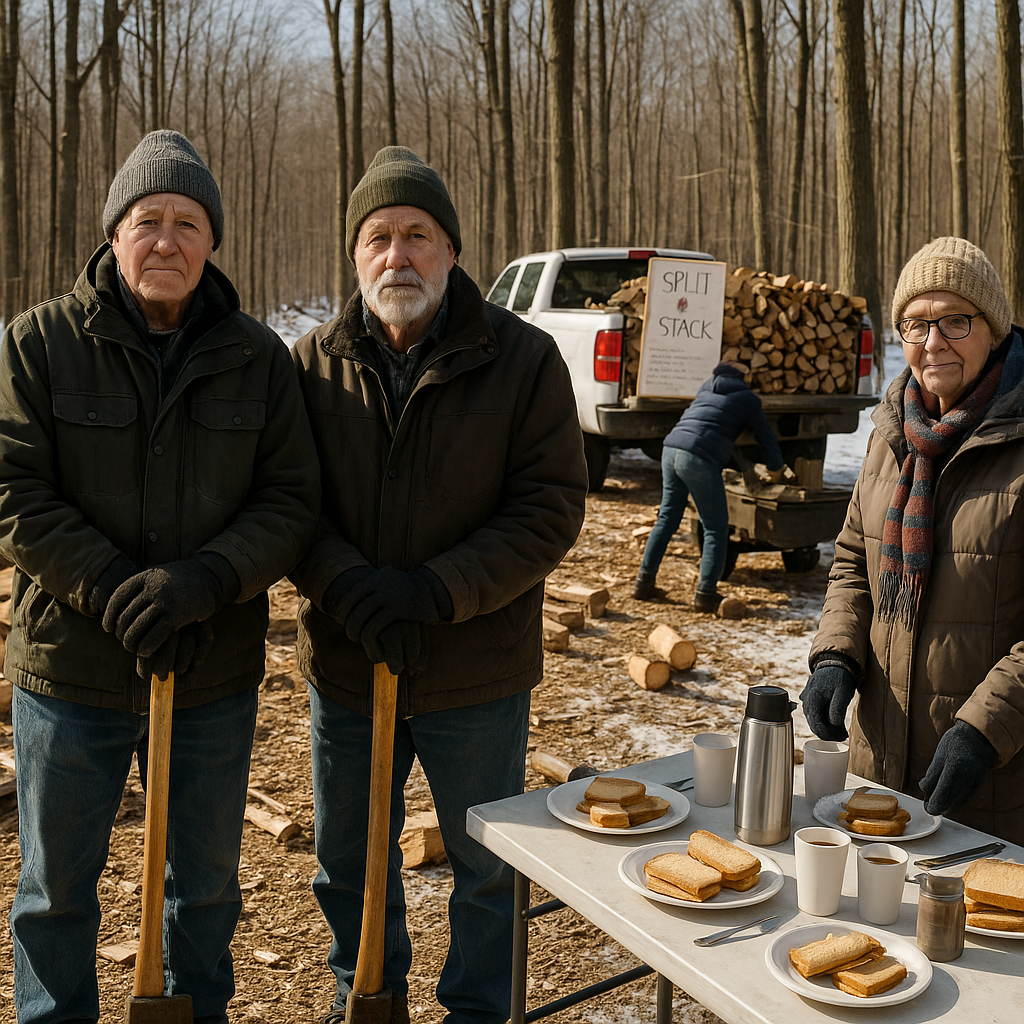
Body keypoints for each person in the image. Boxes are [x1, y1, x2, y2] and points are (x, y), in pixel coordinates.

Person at [0, 130, 320, 1023]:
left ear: (213, 241)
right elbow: (11, 489)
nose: (167, 241)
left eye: (188, 222)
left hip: (210, 669)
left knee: (207, 890)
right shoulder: (40, 343)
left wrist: (206, 579)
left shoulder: (258, 358)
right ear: (113, 235)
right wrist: (106, 584)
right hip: (70, 673)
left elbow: (291, 501)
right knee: (55, 893)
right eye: (147, 220)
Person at [289, 145, 588, 1024]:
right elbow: (284, 503)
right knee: (349, 860)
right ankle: (367, 997)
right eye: (378, 237)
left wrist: (434, 592)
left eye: (418, 234)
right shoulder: (309, 364)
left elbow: (548, 509)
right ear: (355, 256)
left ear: (453, 250)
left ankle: (477, 1011)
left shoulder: (524, 361)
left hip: (477, 671)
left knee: (488, 866)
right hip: (347, 665)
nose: (398, 255)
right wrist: (349, 587)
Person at [802, 236, 1024, 846]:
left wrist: (985, 730)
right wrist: (835, 656)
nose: (933, 343)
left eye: (956, 320)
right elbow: (853, 558)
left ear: (995, 327)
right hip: (880, 764)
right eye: (916, 324)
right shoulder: (893, 429)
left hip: (997, 776)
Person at [632, 361, 786, 610]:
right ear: (742, 378)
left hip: (671, 449)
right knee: (715, 527)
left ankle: (643, 582)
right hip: (698, 457)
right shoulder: (748, 399)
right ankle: (706, 594)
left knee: (667, 519)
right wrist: (776, 468)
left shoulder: (705, 389)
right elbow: (765, 436)